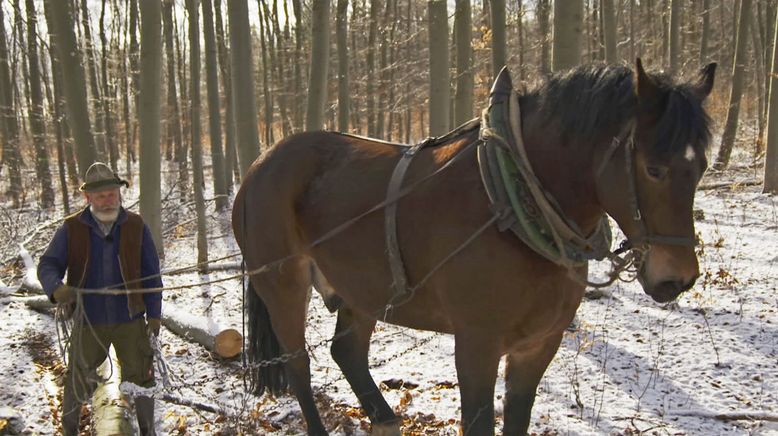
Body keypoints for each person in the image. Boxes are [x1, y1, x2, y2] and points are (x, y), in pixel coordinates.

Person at [37, 162, 163, 435]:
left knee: (142, 378)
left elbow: (152, 275)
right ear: (88, 198)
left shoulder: (136, 225)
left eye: (112, 193)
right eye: (101, 195)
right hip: (88, 319)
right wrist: (57, 289)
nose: (108, 200)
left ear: (119, 193)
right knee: (77, 378)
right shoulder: (71, 228)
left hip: (130, 318)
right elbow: (47, 265)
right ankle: (70, 430)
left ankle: (147, 430)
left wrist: (154, 315)